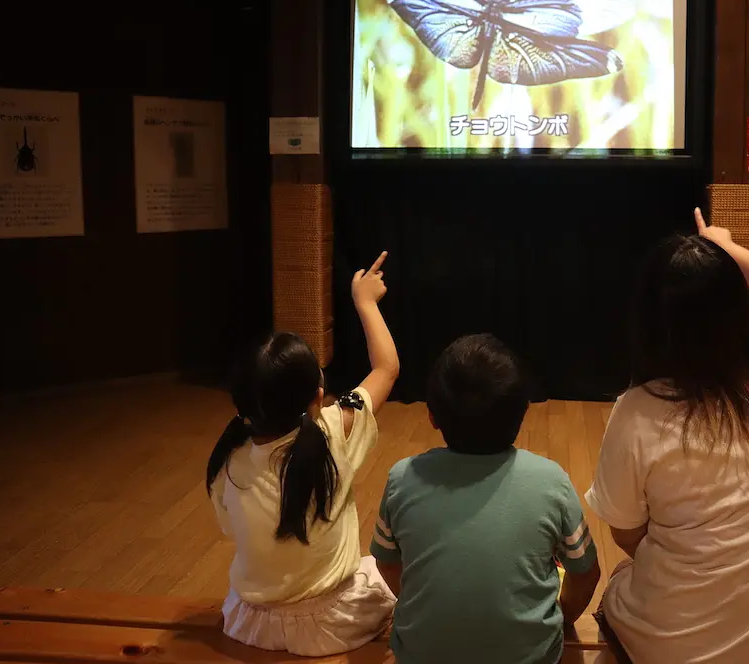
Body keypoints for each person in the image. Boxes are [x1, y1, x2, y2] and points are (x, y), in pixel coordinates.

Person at [585, 209, 749, 664]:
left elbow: (628, 535)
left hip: (682, 652)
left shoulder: (639, 411)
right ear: (739, 303)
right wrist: (727, 247)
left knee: (619, 586)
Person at [206, 252, 400, 656]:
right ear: (318, 396)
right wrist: (364, 302)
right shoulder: (333, 431)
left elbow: (231, 529)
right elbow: (386, 368)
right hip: (331, 623)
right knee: (391, 568)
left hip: (251, 620)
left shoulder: (227, 458)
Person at [370, 333, 601, 664]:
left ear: (432, 415)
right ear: (522, 412)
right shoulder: (552, 482)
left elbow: (387, 562)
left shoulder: (402, 478)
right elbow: (586, 572)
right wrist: (561, 617)